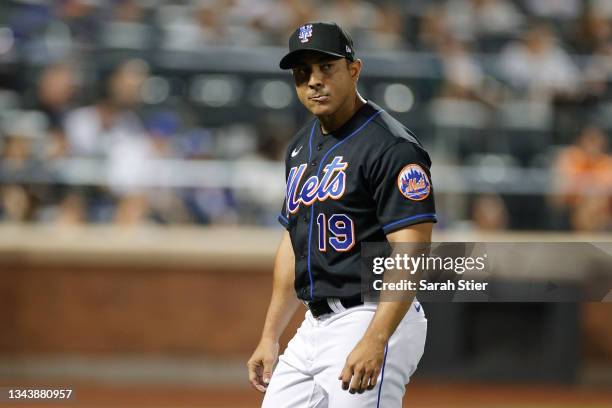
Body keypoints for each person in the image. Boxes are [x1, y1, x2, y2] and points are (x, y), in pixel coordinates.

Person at [247, 22, 437, 407]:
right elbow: (292, 242)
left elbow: (412, 251)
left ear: (354, 70)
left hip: (369, 311)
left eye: (326, 68)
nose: (314, 81)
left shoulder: (392, 147)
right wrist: (271, 334)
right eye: (303, 74)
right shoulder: (301, 145)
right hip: (314, 324)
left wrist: (377, 336)